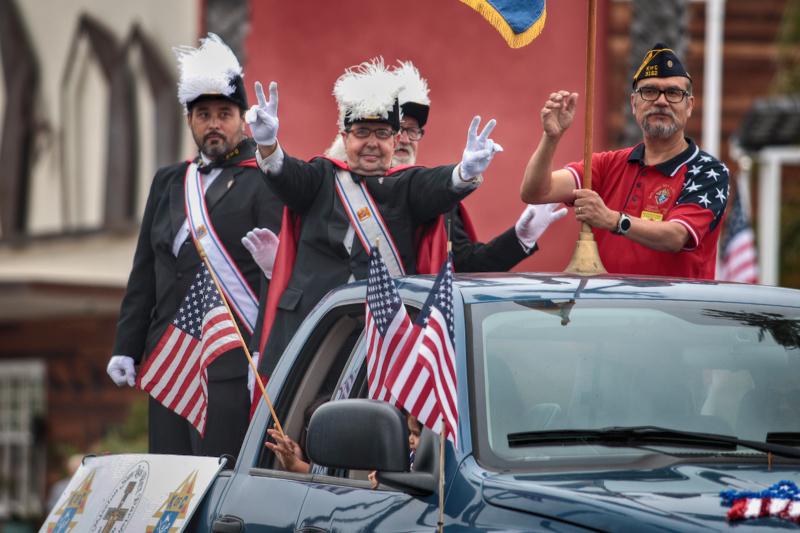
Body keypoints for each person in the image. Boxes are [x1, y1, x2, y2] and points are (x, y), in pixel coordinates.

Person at [247, 58, 501, 377]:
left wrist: (465, 172)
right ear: (344, 136)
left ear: (396, 140)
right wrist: (268, 145)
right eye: (361, 131)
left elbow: (438, 185)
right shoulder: (320, 177)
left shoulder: (408, 186)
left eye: (382, 133)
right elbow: (285, 174)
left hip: (382, 342)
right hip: (310, 333)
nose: (371, 142)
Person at [105, 34, 282, 458]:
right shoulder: (169, 181)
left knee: (215, 476)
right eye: (203, 114)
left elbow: (274, 276)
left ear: (242, 119)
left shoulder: (263, 179)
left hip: (230, 357)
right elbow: (145, 270)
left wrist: (264, 347)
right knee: (172, 480)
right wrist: (127, 346)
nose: (214, 124)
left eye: (225, 113)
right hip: (168, 355)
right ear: (190, 120)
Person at [519, 43, 729, 279]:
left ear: (689, 106)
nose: (661, 101)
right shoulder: (609, 164)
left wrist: (612, 219)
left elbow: (675, 236)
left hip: (675, 312)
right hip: (610, 310)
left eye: (673, 93)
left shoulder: (707, 170)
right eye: (649, 91)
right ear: (633, 103)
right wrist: (551, 137)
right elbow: (536, 191)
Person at [391, 61, 566, 271]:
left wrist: (521, 237)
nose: (406, 139)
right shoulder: (347, 187)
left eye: (413, 130)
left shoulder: (439, 196)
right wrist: (462, 175)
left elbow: (466, 267)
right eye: (398, 129)